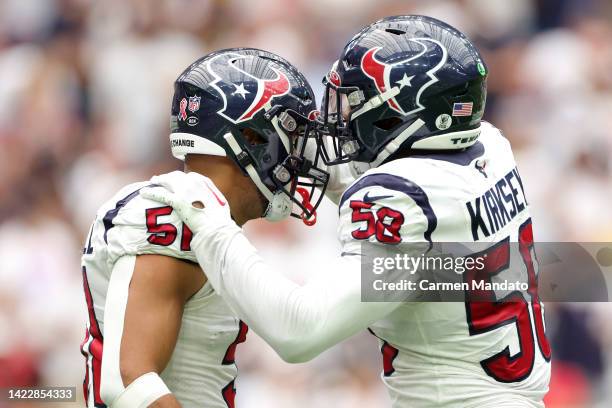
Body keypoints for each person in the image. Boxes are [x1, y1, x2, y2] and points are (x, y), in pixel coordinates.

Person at [144, 16, 552, 407]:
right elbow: (427, 235)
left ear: (399, 112)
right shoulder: (490, 147)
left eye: (353, 102)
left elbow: (299, 331)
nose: (339, 118)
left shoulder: (400, 197)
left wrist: (211, 222)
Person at [79, 47, 329, 408]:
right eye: (291, 139)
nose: (299, 161)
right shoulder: (175, 214)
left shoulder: (202, 214)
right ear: (252, 139)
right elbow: (129, 382)